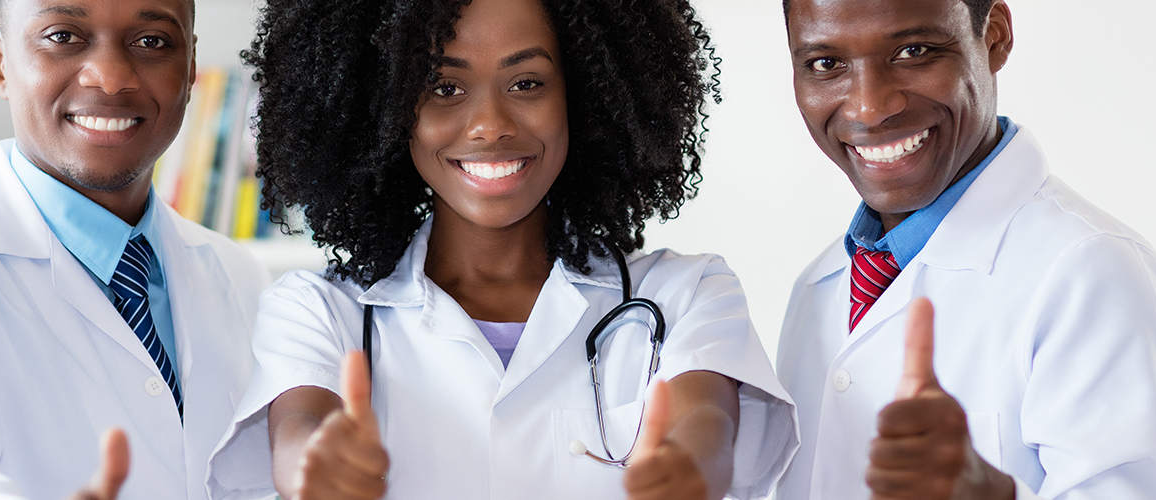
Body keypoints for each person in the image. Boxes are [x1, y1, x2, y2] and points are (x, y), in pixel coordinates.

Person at [201, 0, 796, 498]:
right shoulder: (318, 312)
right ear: (386, 110)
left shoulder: (684, 295)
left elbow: (706, 420)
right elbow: (301, 427)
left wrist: (689, 461)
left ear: (584, 95)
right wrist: (314, 462)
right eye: (445, 87)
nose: (489, 124)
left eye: (527, 82)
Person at [0, 0, 270, 497]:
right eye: (63, 36)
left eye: (151, 42)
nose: (110, 77)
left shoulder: (240, 276)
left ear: (189, 70)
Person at [771, 0, 1156, 499]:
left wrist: (985, 493)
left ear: (994, 36)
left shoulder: (1092, 272)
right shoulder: (818, 287)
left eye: (914, 51)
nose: (870, 106)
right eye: (826, 64)